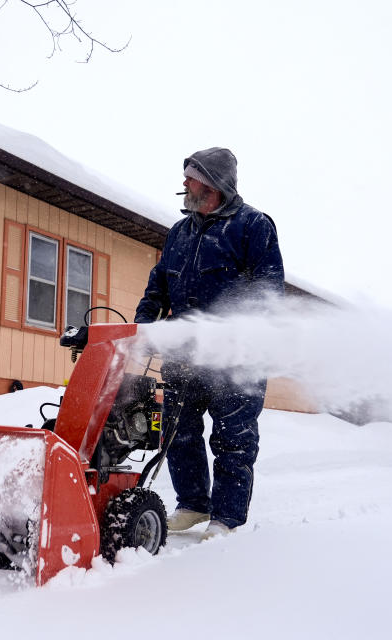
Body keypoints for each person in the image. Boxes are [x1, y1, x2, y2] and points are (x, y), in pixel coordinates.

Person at [134, 147, 284, 540]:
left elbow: (267, 292)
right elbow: (158, 286)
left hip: (237, 358)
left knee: (232, 439)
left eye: (192, 176)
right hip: (185, 356)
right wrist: (142, 327)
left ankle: (226, 518)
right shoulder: (180, 233)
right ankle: (194, 505)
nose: (184, 183)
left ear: (214, 183)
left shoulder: (253, 226)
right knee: (178, 431)